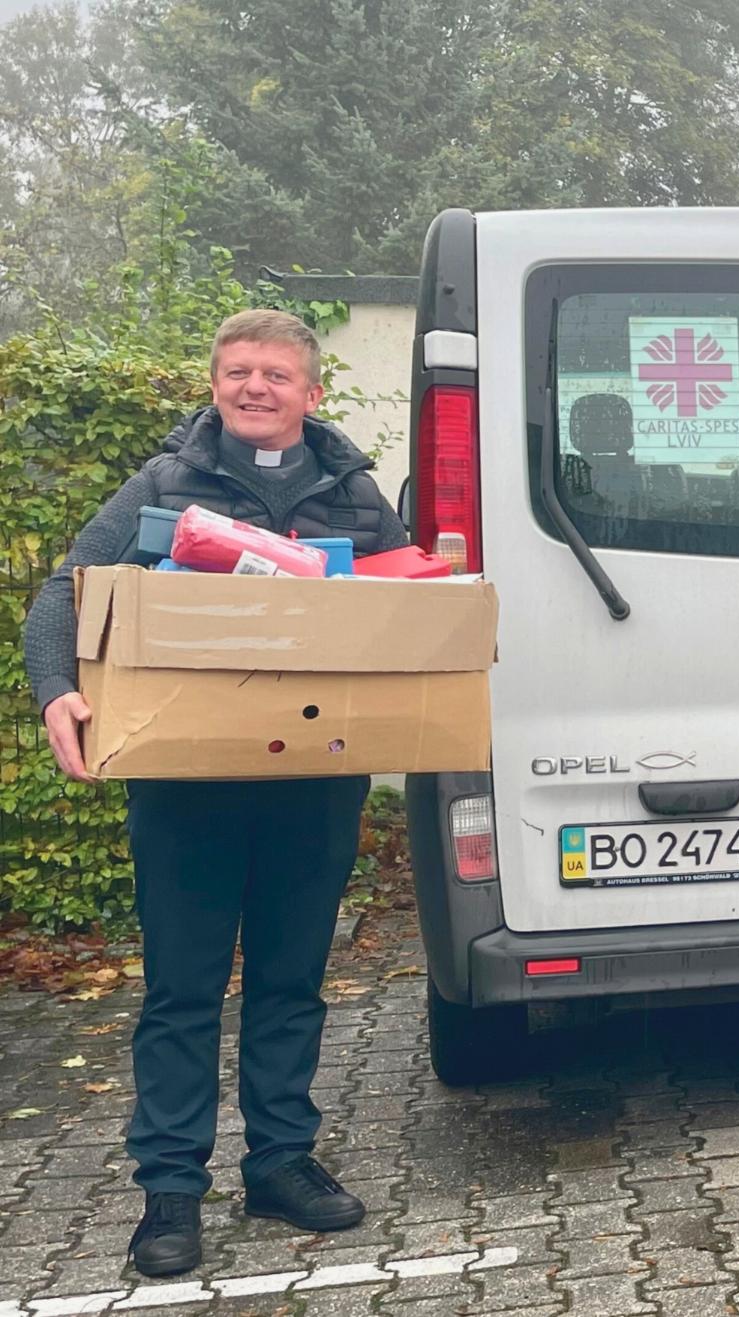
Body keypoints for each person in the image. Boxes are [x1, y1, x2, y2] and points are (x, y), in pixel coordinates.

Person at [24, 309, 411, 1279]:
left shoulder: (352, 492)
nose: (254, 387)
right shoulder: (164, 484)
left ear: (310, 393)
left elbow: (411, 602)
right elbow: (65, 592)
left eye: (275, 374)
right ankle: (169, 1191)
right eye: (237, 371)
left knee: (289, 985)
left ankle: (280, 1163)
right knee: (183, 992)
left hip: (311, 784)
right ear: (214, 384)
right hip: (184, 787)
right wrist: (58, 688)